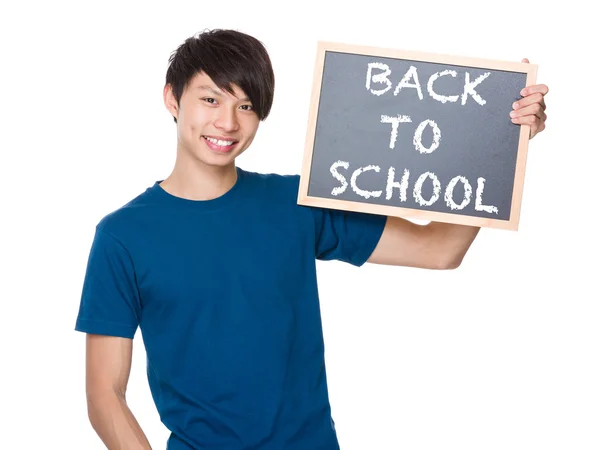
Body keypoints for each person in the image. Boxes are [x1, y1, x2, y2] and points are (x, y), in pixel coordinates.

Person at [75, 29, 549, 450]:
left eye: (246, 106)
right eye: (211, 100)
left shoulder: (295, 202)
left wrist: (505, 142)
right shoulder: (122, 236)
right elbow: (104, 395)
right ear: (172, 99)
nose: (228, 123)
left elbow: (439, 249)